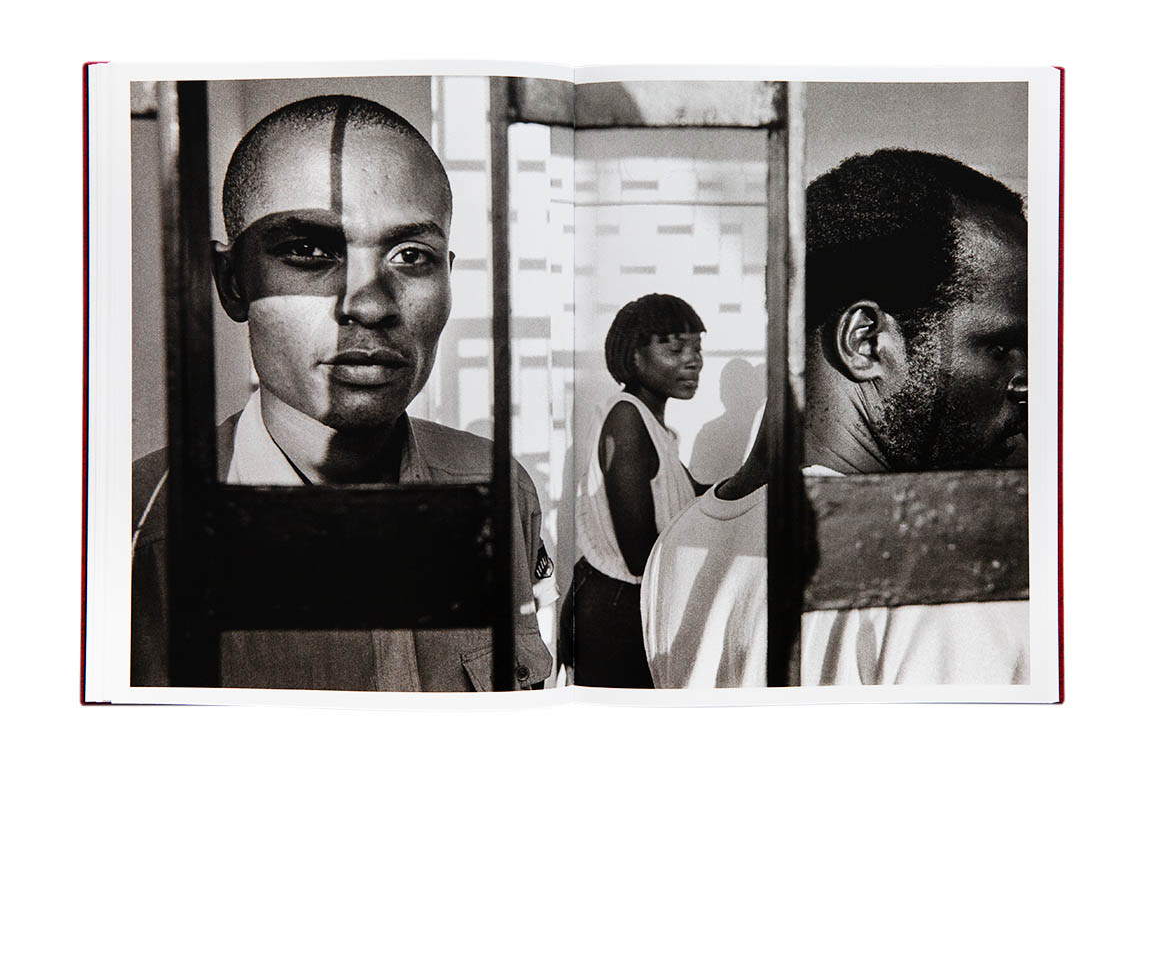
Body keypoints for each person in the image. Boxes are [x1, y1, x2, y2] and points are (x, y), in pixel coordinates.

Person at [131, 94, 556, 691]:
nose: (370, 304)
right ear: (232, 282)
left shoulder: (497, 490)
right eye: (309, 251)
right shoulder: (135, 540)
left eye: (411, 256)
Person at [642, 149, 1029, 687]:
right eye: (1003, 346)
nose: (1027, 380)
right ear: (865, 342)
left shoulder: (679, 543)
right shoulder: (948, 575)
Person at [560, 294, 708, 687]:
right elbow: (640, 554)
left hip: (620, 607)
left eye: (697, 348)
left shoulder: (650, 426)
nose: (693, 360)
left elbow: (691, 494)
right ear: (634, 356)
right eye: (675, 349)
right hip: (616, 613)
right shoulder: (626, 419)